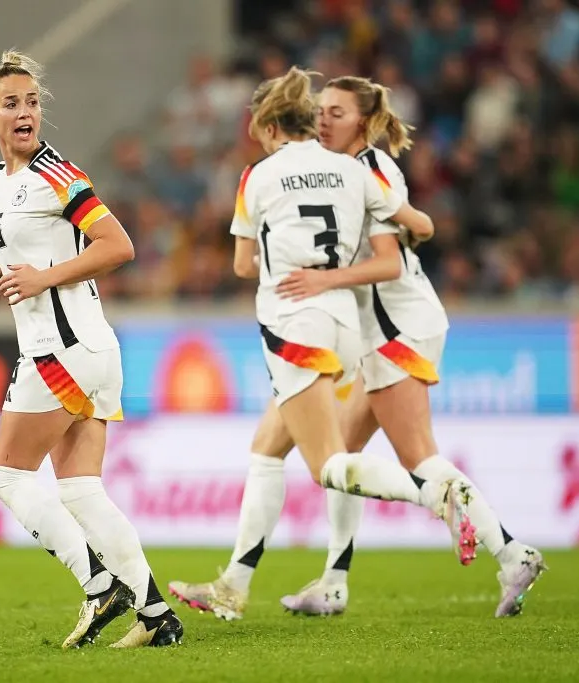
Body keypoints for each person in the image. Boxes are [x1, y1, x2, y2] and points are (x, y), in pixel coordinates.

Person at [170, 75, 547, 621]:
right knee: (323, 450)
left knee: (406, 458)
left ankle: (508, 549)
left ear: (365, 123)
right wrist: (406, 227)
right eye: (321, 109)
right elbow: (419, 223)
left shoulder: (365, 166)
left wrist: (325, 276)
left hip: (394, 325)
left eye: (338, 113)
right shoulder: (342, 171)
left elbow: (399, 251)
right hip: (358, 327)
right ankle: (328, 581)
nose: (325, 119)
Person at [0, 51, 182, 649]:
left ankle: (99, 584)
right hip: (88, 350)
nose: (25, 112)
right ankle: (156, 617)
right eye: (12, 103)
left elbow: (117, 244)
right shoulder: (1, 182)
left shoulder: (60, 176)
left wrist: (46, 278)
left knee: (9, 478)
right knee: (80, 490)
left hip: (61, 349)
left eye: (32, 102)